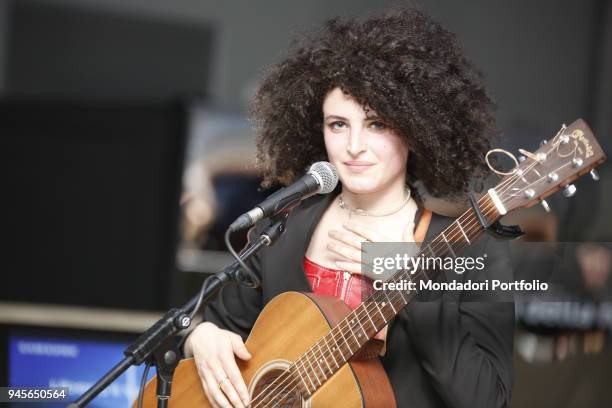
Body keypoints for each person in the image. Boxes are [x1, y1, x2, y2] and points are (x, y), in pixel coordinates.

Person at [183, 7, 514, 408]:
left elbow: (487, 400)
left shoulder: (473, 250)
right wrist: (200, 336)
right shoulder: (282, 229)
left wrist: (414, 283)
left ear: (416, 129)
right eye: (338, 124)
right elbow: (216, 323)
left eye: (376, 124)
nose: (354, 146)